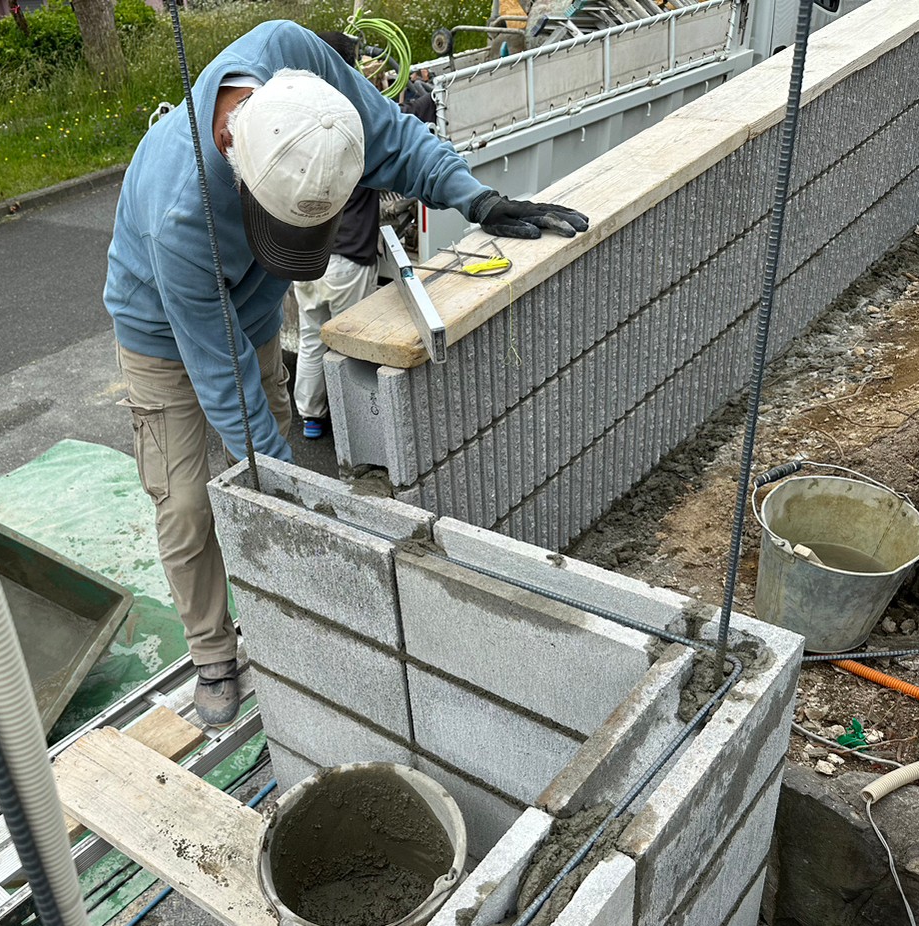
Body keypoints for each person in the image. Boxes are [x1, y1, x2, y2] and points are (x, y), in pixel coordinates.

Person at [104, 19, 588, 725]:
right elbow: (220, 374)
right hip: (163, 331)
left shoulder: (293, 60)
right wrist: (298, 502)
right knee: (186, 500)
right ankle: (214, 650)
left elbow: (391, 133)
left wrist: (473, 197)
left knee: (269, 445)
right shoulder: (182, 212)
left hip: (250, 298)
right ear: (235, 161)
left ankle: (285, 607)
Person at [291, 31, 387, 442]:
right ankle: (357, 427)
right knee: (351, 342)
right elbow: (396, 137)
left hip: (304, 255)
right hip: (347, 255)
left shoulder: (300, 117)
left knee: (313, 336)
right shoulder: (352, 120)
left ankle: (311, 415)